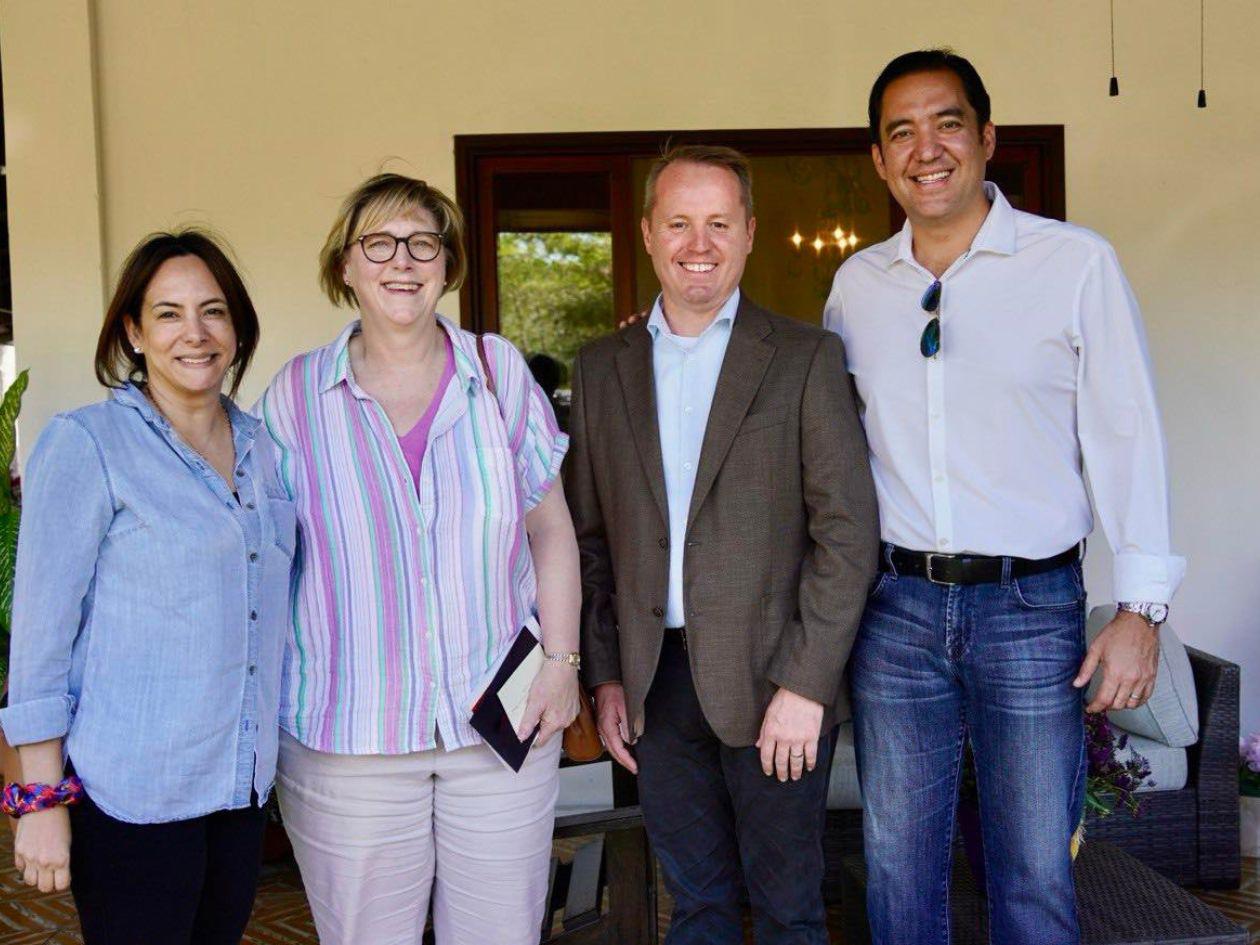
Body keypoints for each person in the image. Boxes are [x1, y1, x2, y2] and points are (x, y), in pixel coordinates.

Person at [826, 49, 1185, 945]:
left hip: (1031, 608)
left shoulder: (1074, 264)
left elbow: (1129, 434)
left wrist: (1140, 608)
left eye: (946, 123)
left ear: (986, 137)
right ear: (879, 159)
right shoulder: (856, 287)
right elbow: (825, 448)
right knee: (899, 871)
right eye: (901, 132)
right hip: (895, 609)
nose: (926, 148)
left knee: (1032, 870)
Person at [566, 145, 879, 945]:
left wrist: (807, 684)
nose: (697, 244)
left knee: (788, 911)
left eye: (718, 223)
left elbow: (847, 534)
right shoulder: (600, 368)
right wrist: (606, 674)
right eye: (679, 223)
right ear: (647, 232)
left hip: (776, 682)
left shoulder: (805, 358)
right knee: (696, 908)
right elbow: (589, 539)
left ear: (749, 233)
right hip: (654, 688)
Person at [257, 173, 580, 945]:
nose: (401, 260)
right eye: (378, 243)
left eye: (422, 243)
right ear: (345, 264)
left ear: (447, 262)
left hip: (502, 720)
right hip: (347, 739)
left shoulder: (499, 373)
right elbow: (263, 560)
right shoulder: (294, 396)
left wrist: (562, 663)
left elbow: (551, 530)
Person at [0, 230, 293, 944]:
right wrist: (40, 799)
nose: (195, 333)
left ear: (236, 327)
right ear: (133, 332)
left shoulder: (268, 450)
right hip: (132, 796)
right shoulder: (89, 444)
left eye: (213, 311)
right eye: (168, 313)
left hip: (238, 789)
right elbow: (41, 637)